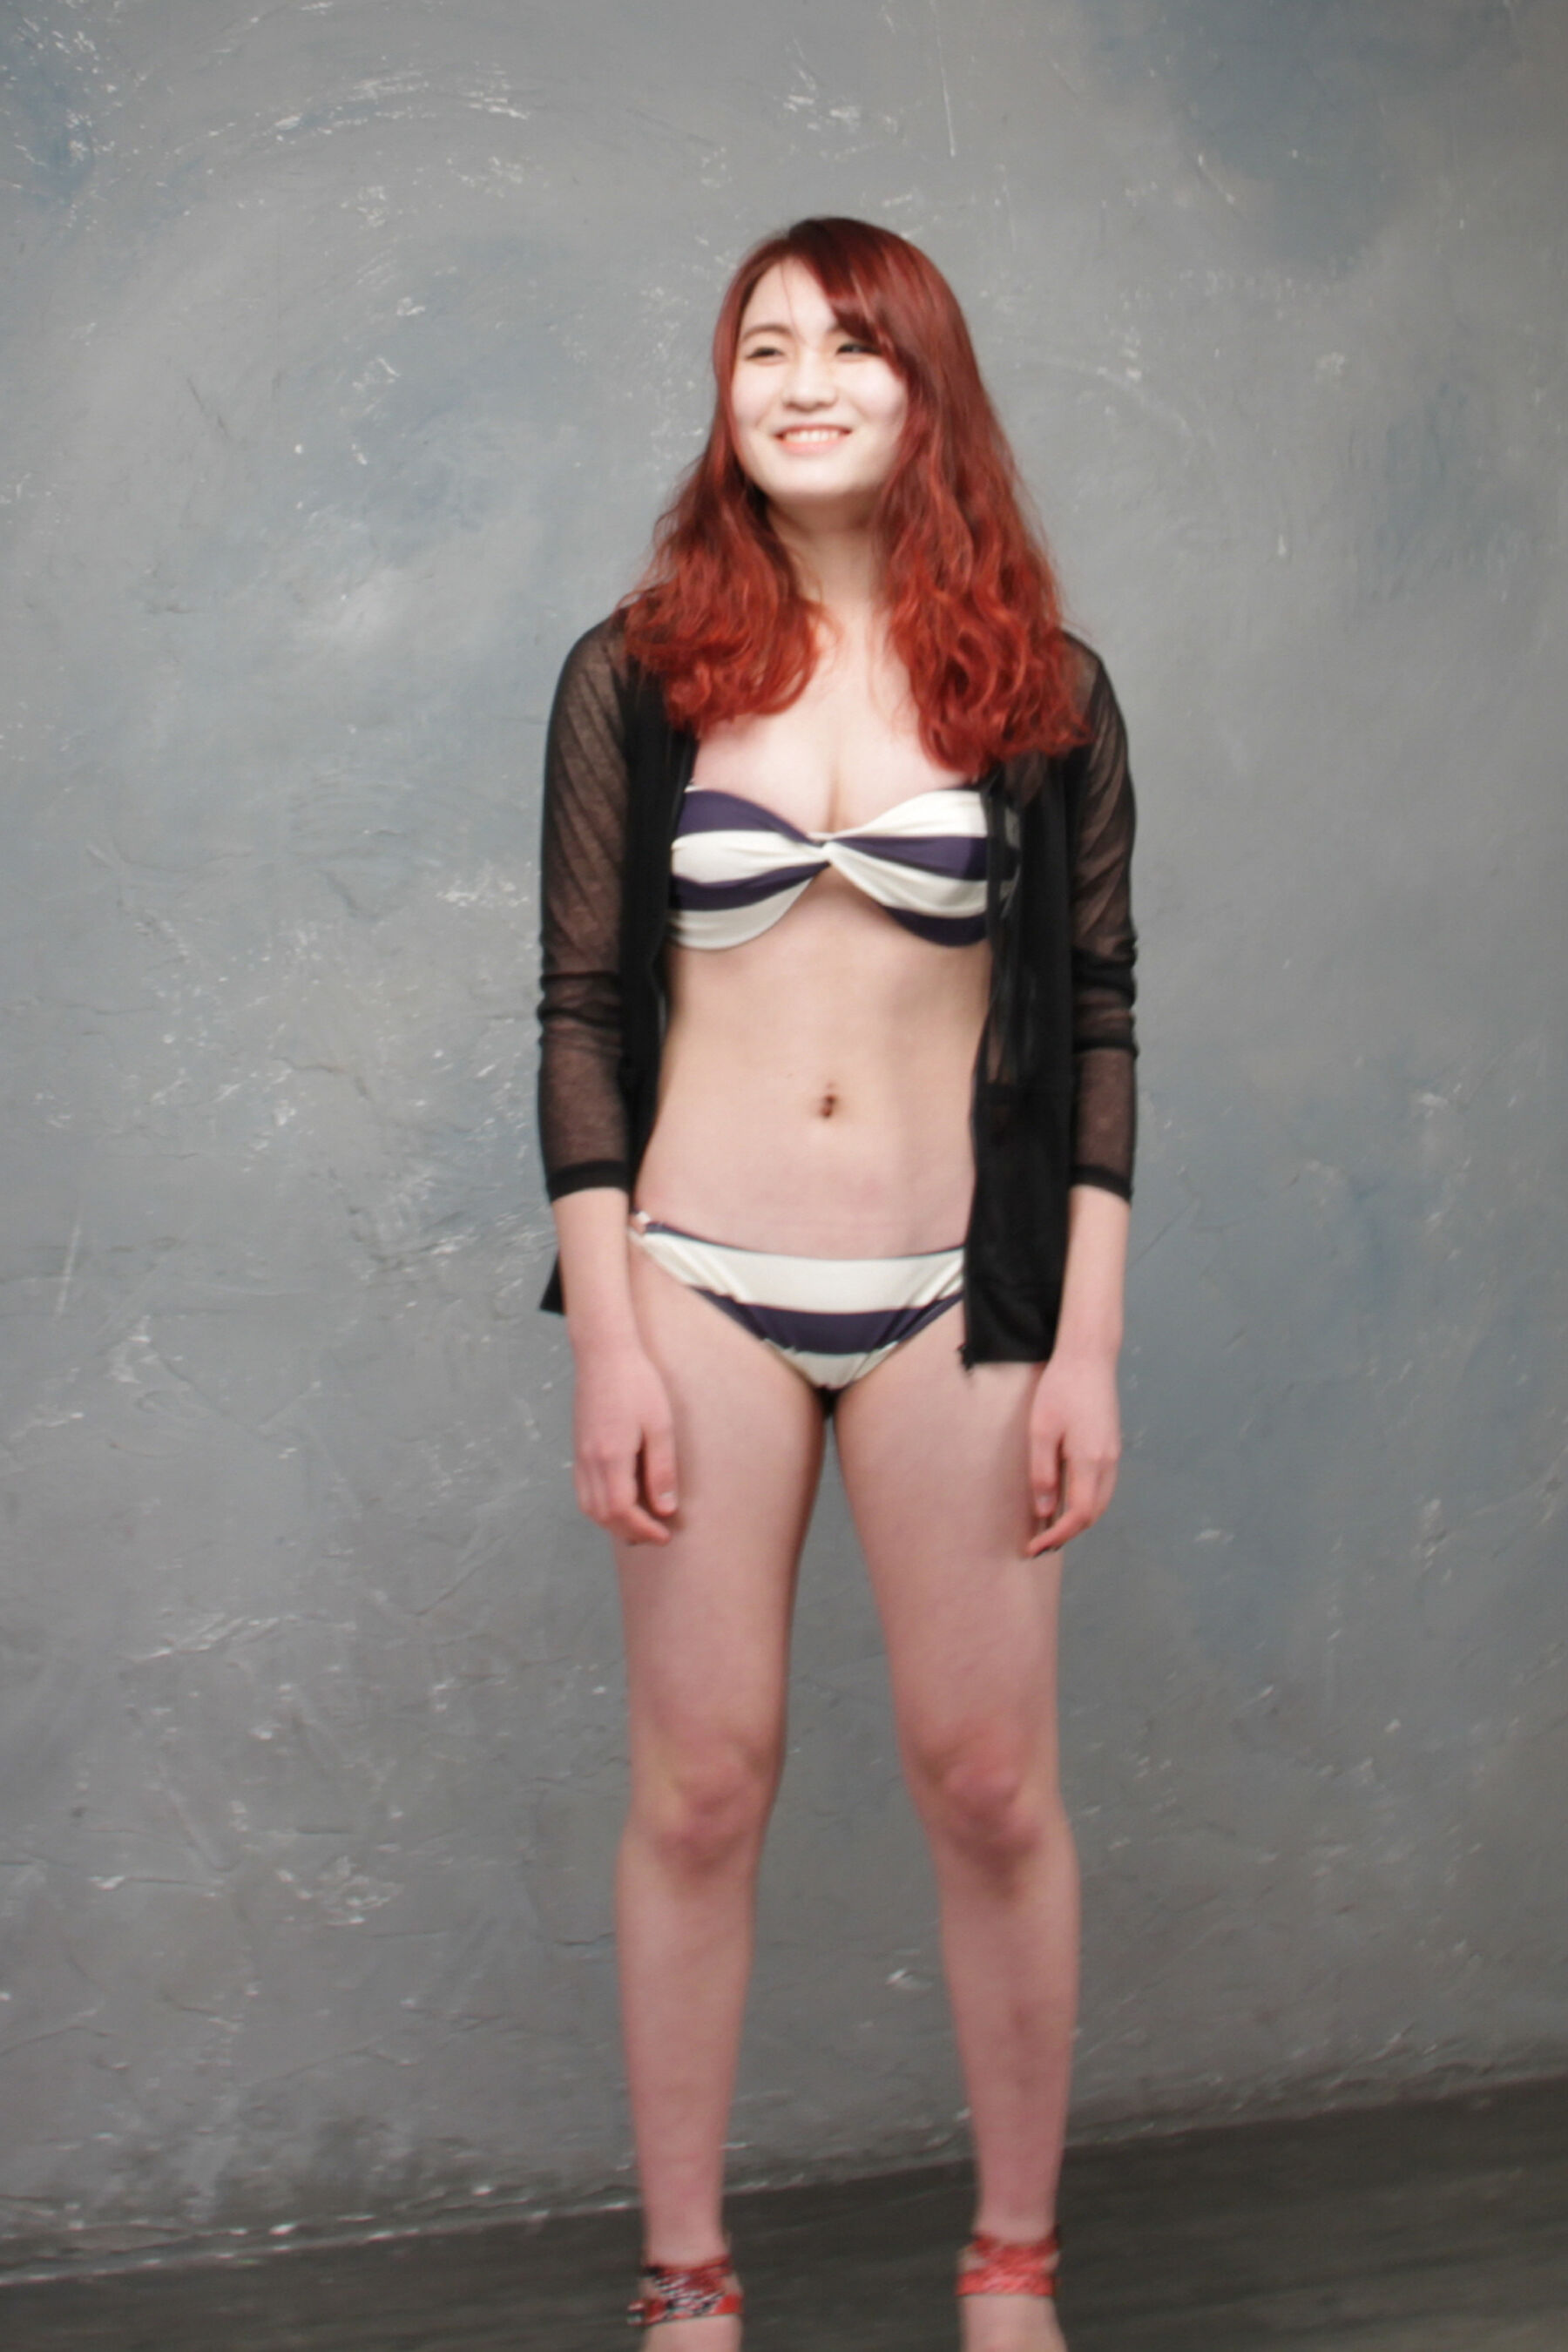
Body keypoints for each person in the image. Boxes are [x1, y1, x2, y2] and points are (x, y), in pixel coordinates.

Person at [537, 216, 1136, 2351]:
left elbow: (1099, 1023)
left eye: (851, 348)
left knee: (988, 1783)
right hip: (696, 1280)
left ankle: (1012, 2265)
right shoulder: (635, 676)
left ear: (923, 388)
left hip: (956, 1295)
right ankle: (685, 2279)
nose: (803, 384)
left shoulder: (1042, 688)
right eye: (764, 347)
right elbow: (580, 1018)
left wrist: (1086, 1344)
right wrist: (609, 1336)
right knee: (701, 1787)